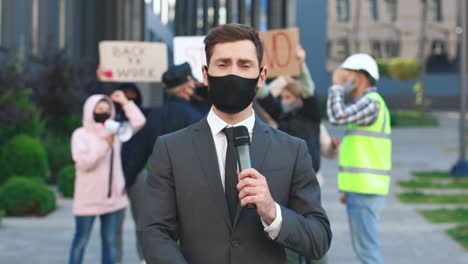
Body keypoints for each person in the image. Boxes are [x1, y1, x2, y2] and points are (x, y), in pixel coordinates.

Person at [138, 23, 331, 264]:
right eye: (223, 64)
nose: (233, 73)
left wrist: (273, 212)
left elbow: (319, 238)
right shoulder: (170, 149)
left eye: (244, 65)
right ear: (206, 75)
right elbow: (154, 232)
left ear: (260, 76)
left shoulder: (292, 150)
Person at [327, 53, 391, 264]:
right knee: (365, 249)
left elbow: (336, 116)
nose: (344, 78)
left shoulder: (371, 103)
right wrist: (347, 188)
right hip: (360, 189)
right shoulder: (367, 104)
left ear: (361, 76)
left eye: (348, 74)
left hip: (366, 189)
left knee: (367, 251)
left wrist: (336, 86)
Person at [69, 90, 146, 264]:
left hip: (113, 201)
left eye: (106, 108)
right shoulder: (80, 135)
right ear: (89, 111)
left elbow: (139, 122)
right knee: (80, 242)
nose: (102, 112)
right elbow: (84, 163)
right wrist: (105, 145)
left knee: (110, 244)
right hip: (87, 201)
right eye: (98, 109)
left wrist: (125, 102)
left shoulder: (115, 132)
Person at [123, 63, 204, 189]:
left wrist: (127, 181)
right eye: (192, 82)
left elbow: (139, 153)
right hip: (191, 187)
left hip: (160, 186)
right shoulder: (196, 117)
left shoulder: (154, 116)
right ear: (187, 87)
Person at [114, 83, 152, 264]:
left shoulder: (143, 116)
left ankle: (144, 258)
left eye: (131, 98)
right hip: (115, 179)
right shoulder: (112, 119)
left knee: (143, 223)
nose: (128, 101)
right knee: (114, 226)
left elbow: (139, 119)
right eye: (124, 97)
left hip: (137, 175)